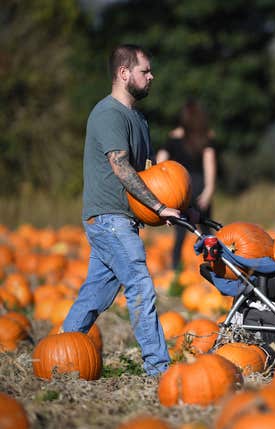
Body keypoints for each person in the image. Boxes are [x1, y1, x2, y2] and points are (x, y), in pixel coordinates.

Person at [62, 44, 179, 376]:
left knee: (95, 294)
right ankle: (159, 369)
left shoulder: (139, 119)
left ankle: (60, 351)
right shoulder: (108, 114)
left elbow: (149, 175)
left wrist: (175, 208)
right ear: (124, 73)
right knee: (140, 285)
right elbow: (121, 167)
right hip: (108, 219)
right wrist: (157, 205)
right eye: (145, 71)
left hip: (124, 219)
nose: (151, 76)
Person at [156, 99, 217, 270]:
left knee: (180, 232)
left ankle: (175, 267)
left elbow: (160, 162)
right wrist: (209, 190)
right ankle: (214, 267)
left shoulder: (174, 138)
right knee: (206, 232)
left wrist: (163, 188)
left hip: (181, 188)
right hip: (199, 186)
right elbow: (209, 163)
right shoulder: (205, 137)